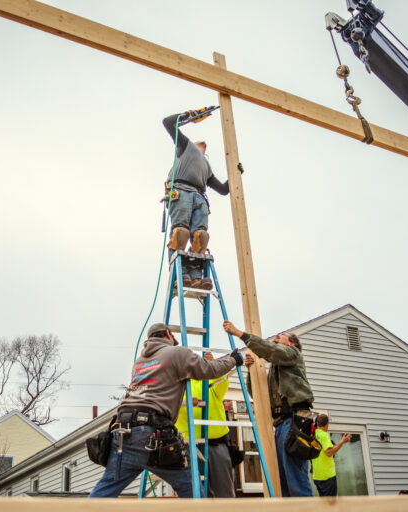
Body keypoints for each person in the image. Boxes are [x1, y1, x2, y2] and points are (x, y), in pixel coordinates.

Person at [89, 323, 243, 498]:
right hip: (152, 436)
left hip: (122, 433)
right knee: (193, 492)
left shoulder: (140, 362)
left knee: (103, 493)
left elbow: (152, 392)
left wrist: (182, 401)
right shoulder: (177, 353)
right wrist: (232, 360)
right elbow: (209, 369)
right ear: (169, 334)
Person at [222, 320, 315, 497]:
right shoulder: (276, 369)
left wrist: (240, 334)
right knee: (283, 481)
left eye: (282, 336)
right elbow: (259, 395)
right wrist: (251, 371)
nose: (277, 337)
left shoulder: (293, 354)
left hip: (296, 420)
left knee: (296, 478)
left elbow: (272, 351)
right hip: (281, 425)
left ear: (292, 344)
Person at [162, 110, 230, 290]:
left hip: (199, 197)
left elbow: (223, 190)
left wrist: (235, 174)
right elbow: (168, 122)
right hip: (182, 190)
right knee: (181, 233)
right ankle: (179, 274)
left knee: (201, 236)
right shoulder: (185, 147)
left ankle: (195, 275)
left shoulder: (206, 167)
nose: (203, 144)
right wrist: (189, 115)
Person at [175, 352, 236, 497]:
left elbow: (222, 383)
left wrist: (214, 365)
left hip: (216, 443)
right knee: (195, 493)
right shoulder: (177, 385)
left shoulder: (209, 382)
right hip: (188, 445)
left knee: (224, 491)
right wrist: (186, 402)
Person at [312, 414, 350, 497]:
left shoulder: (315, 434)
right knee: (331, 505)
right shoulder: (324, 435)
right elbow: (329, 453)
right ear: (327, 424)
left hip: (317, 476)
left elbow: (326, 450)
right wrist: (342, 442)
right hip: (327, 476)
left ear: (317, 423)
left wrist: (341, 442)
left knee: (324, 505)